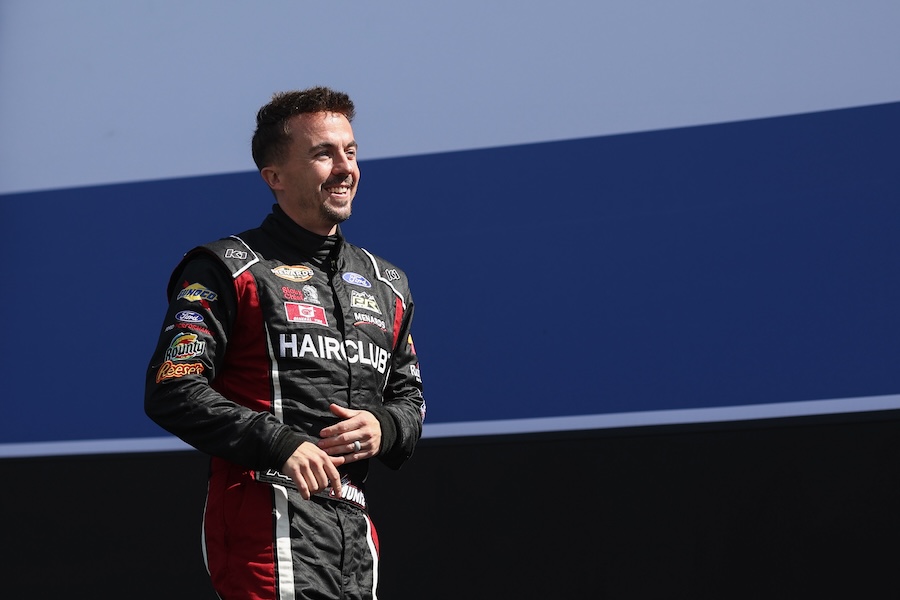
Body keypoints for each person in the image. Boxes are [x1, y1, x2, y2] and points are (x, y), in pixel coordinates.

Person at [145, 86, 426, 600]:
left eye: (351, 151)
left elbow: (410, 399)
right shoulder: (228, 267)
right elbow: (174, 387)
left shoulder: (388, 283)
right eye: (324, 154)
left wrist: (384, 427)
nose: (346, 167)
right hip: (264, 520)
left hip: (355, 533)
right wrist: (280, 441)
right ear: (274, 177)